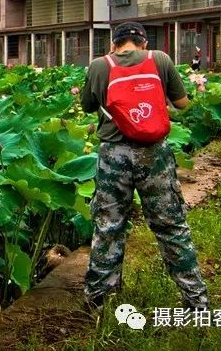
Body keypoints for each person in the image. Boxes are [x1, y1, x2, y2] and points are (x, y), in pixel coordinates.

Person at [80, 22, 208, 310]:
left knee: (109, 226)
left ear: (114, 44)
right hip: (154, 154)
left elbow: (88, 105)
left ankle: (98, 300)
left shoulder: (100, 65)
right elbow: (182, 103)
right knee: (171, 226)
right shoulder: (159, 59)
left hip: (114, 155)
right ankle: (196, 300)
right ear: (143, 44)